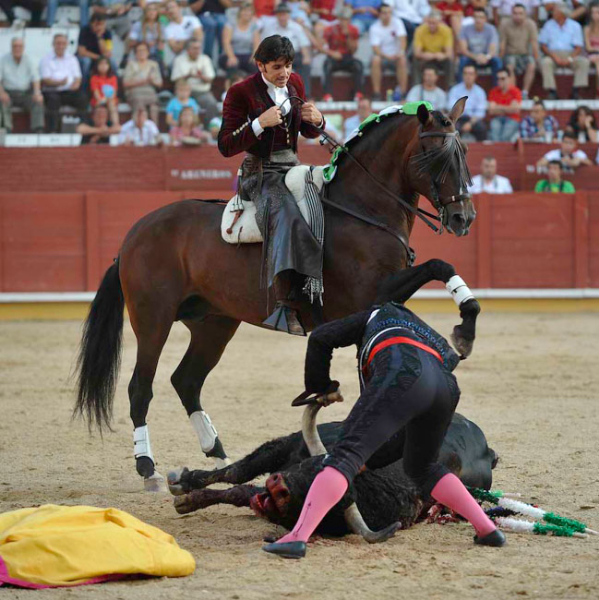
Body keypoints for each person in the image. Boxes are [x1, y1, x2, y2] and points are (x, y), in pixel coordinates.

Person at [262, 279, 506, 559]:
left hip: (402, 376)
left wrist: (322, 387)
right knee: (423, 467)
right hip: (445, 388)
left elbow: (320, 338)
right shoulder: (418, 323)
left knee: (343, 457)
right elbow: (451, 359)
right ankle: (487, 530)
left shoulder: (370, 316)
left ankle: (297, 538)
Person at [217, 35, 325, 336]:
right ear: (260, 65)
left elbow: (307, 130)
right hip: (260, 172)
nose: (284, 73)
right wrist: (258, 124)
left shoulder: (296, 83)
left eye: (288, 66)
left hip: (292, 167)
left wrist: (319, 121)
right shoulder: (240, 92)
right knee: (286, 215)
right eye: (277, 67)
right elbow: (225, 145)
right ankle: (285, 304)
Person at [259, 4, 313, 97]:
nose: (282, 17)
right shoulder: (270, 28)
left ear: (288, 15)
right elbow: (264, 45)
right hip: (276, 56)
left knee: (305, 66)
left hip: (293, 55)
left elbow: (304, 44)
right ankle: (268, 94)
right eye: (280, 15)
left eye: (284, 14)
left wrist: (306, 57)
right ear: (276, 16)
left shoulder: (296, 27)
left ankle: (305, 94)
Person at [538, 3, 589, 100]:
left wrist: (569, 59)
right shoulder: (548, 25)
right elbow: (543, 46)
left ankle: (576, 91)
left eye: (555, 11)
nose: (553, 13)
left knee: (584, 62)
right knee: (545, 62)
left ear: (562, 13)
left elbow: (578, 47)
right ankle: (552, 92)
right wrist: (554, 57)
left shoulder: (575, 26)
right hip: (552, 54)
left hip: (571, 54)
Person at [40, 33, 88, 133]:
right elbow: (45, 80)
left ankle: (83, 128)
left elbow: (78, 77)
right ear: (53, 44)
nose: (60, 46)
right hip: (52, 90)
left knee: (83, 98)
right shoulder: (46, 59)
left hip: (69, 90)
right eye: (58, 43)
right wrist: (59, 83)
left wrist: (76, 84)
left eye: (63, 43)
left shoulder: (72, 58)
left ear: (66, 45)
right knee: (53, 100)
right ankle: (53, 131)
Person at [0, 38, 44, 133]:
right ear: (11, 47)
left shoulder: (29, 59)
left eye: (19, 46)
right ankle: (7, 129)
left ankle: (38, 130)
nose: (17, 48)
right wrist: (2, 93)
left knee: (38, 101)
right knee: (2, 101)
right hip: (9, 93)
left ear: (23, 48)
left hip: (26, 93)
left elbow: (35, 78)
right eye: (15, 46)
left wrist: (37, 93)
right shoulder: (3, 60)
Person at [171, 39, 218, 125]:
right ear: (188, 50)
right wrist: (188, 76)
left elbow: (211, 79)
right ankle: (179, 128)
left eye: (199, 48)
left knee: (212, 104)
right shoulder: (179, 60)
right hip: (183, 92)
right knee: (174, 104)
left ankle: (209, 127)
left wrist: (201, 76)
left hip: (202, 92)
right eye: (194, 48)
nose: (197, 51)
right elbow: (175, 80)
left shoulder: (205, 59)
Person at [320, 7, 363, 101]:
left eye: (346, 19)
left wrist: (348, 36)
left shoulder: (353, 30)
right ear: (339, 19)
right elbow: (321, 46)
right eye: (342, 19)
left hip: (347, 57)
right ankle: (328, 94)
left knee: (358, 65)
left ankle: (358, 93)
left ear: (349, 20)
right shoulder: (330, 29)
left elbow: (354, 50)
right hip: (333, 57)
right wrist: (332, 53)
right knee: (327, 65)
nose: (344, 22)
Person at [499, 3, 539, 99]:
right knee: (510, 65)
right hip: (510, 54)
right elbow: (502, 44)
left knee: (532, 64)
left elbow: (534, 43)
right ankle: (514, 92)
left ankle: (525, 92)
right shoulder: (505, 24)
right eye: (515, 13)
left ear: (525, 14)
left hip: (525, 54)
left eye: (520, 13)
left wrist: (537, 59)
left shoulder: (531, 24)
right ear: (511, 14)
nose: (518, 16)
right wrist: (500, 59)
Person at [369, 3, 408, 101]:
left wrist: (401, 52)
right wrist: (387, 56)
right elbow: (375, 48)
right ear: (379, 14)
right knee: (375, 60)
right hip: (383, 57)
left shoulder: (397, 22)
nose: (387, 15)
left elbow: (403, 39)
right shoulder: (374, 27)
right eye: (385, 13)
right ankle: (377, 93)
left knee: (402, 59)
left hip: (396, 56)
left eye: (389, 13)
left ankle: (403, 93)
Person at [458, 8, 501, 85]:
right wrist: (476, 57)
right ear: (473, 18)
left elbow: (493, 49)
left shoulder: (491, 29)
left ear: (486, 19)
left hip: (486, 58)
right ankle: (461, 87)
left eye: (481, 17)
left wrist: (486, 57)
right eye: (476, 17)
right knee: (463, 60)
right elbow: (463, 50)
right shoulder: (465, 29)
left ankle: (496, 88)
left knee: (497, 61)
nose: (478, 20)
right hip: (472, 57)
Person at [123, 42, 162, 124]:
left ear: (148, 52)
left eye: (144, 50)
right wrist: (142, 81)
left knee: (154, 107)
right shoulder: (131, 64)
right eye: (139, 51)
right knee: (140, 104)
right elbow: (125, 83)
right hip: (134, 91)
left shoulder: (153, 65)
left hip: (149, 91)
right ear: (135, 53)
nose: (141, 52)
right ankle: (139, 125)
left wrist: (151, 81)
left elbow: (159, 83)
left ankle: (154, 128)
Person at [413, 10, 454, 87]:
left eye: (434, 23)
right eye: (429, 23)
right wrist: (425, 55)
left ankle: (450, 86)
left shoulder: (446, 30)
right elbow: (417, 53)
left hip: (439, 58)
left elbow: (449, 53)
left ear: (440, 22)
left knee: (450, 61)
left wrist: (443, 55)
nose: (431, 25)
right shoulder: (420, 30)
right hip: (426, 57)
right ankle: (416, 85)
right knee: (415, 60)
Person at [219, 2, 260, 76]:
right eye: (244, 10)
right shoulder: (230, 24)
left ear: (252, 14)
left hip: (246, 54)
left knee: (256, 66)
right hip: (230, 54)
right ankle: (231, 83)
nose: (246, 13)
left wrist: (254, 56)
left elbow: (256, 43)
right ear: (240, 12)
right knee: (232, 65)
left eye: (249, 11)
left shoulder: (254, 26)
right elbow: (226, 42)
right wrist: (231, 57)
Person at [447, 65, 487, 141]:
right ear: (462, 75)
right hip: (458, 119)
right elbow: (451, 107)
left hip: (473, 120)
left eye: (471, 74)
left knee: (482, 128)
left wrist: (470, 123)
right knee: (451, 128)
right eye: (465, 73)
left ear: (475, 76)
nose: (468, 76)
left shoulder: (480, 91)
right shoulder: (455, 90)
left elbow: (480, 112)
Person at [77, 13, 114, 84]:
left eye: (102, 24)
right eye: (97, 24)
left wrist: (99, 37)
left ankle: (113, 86)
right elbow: (82, 52)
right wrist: (99, 57)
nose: (99, 27)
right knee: (86, 62)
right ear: (91, 23)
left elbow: (107, 53)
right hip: (87, 56)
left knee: (112, 63)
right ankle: (84, 87)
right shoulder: (85, 30)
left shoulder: (107, 32)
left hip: (100, 57)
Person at [487, 68, 521, 141]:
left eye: (502, 78)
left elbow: (515, 110)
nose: (500, 81)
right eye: (498, 79)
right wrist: (508, 108)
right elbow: (491, 111)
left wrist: (498, 107)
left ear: (509, 79)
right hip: (497, 118)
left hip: (512, 119)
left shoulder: (515, 91)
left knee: (505, 137)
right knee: (495, 136)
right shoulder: (493, 91)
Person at [584, 2, 599, 96]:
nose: (595, 15)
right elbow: (588, 47)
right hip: (591, 55)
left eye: (597, 12)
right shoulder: (587, 28)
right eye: (593, 12)